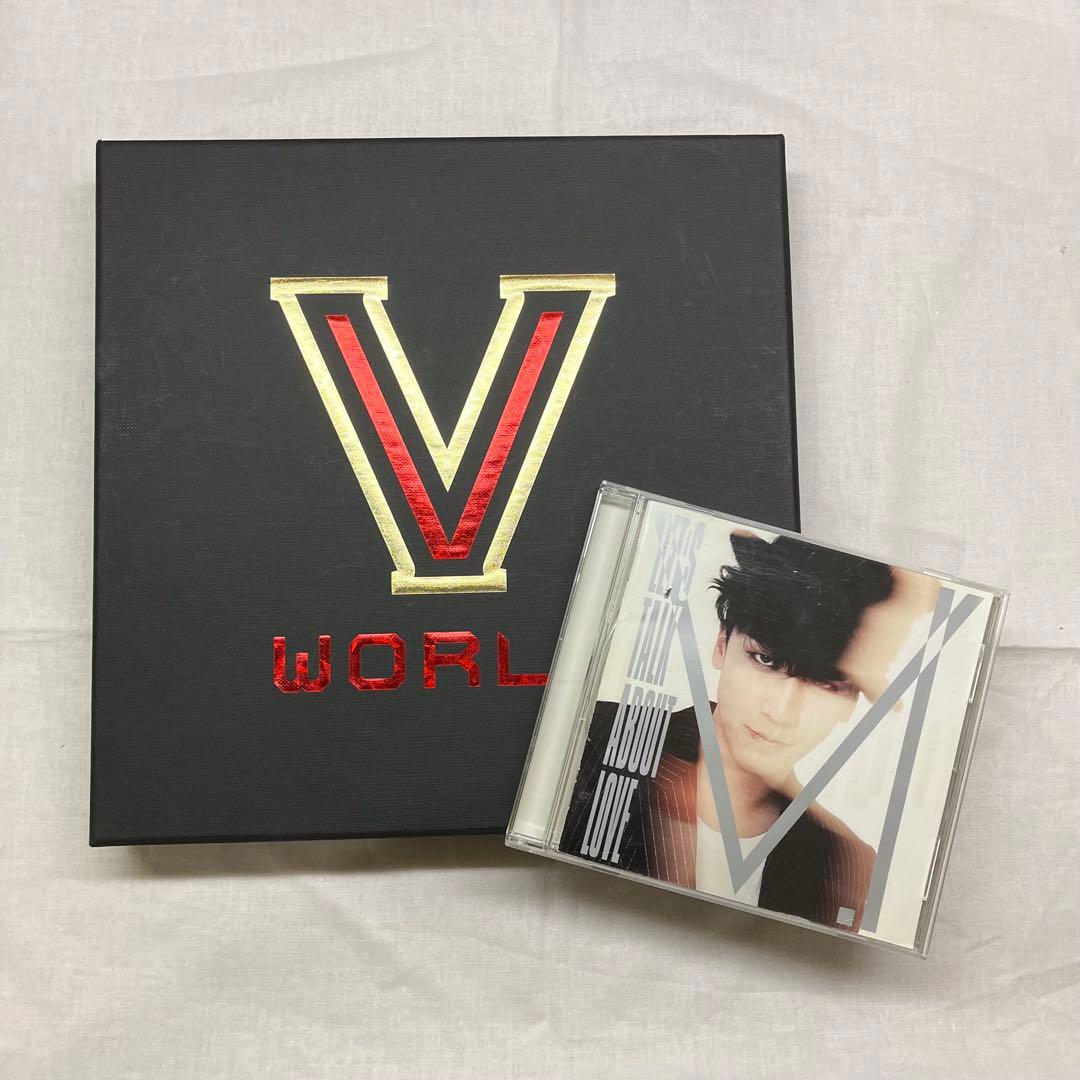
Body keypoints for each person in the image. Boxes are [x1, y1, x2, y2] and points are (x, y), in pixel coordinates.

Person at [561, 529, 936, 933]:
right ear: (721, 645)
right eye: (765, 660)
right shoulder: (590, 735)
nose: (781, 712)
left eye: (826, 683)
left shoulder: (847, 863)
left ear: (851, 703)